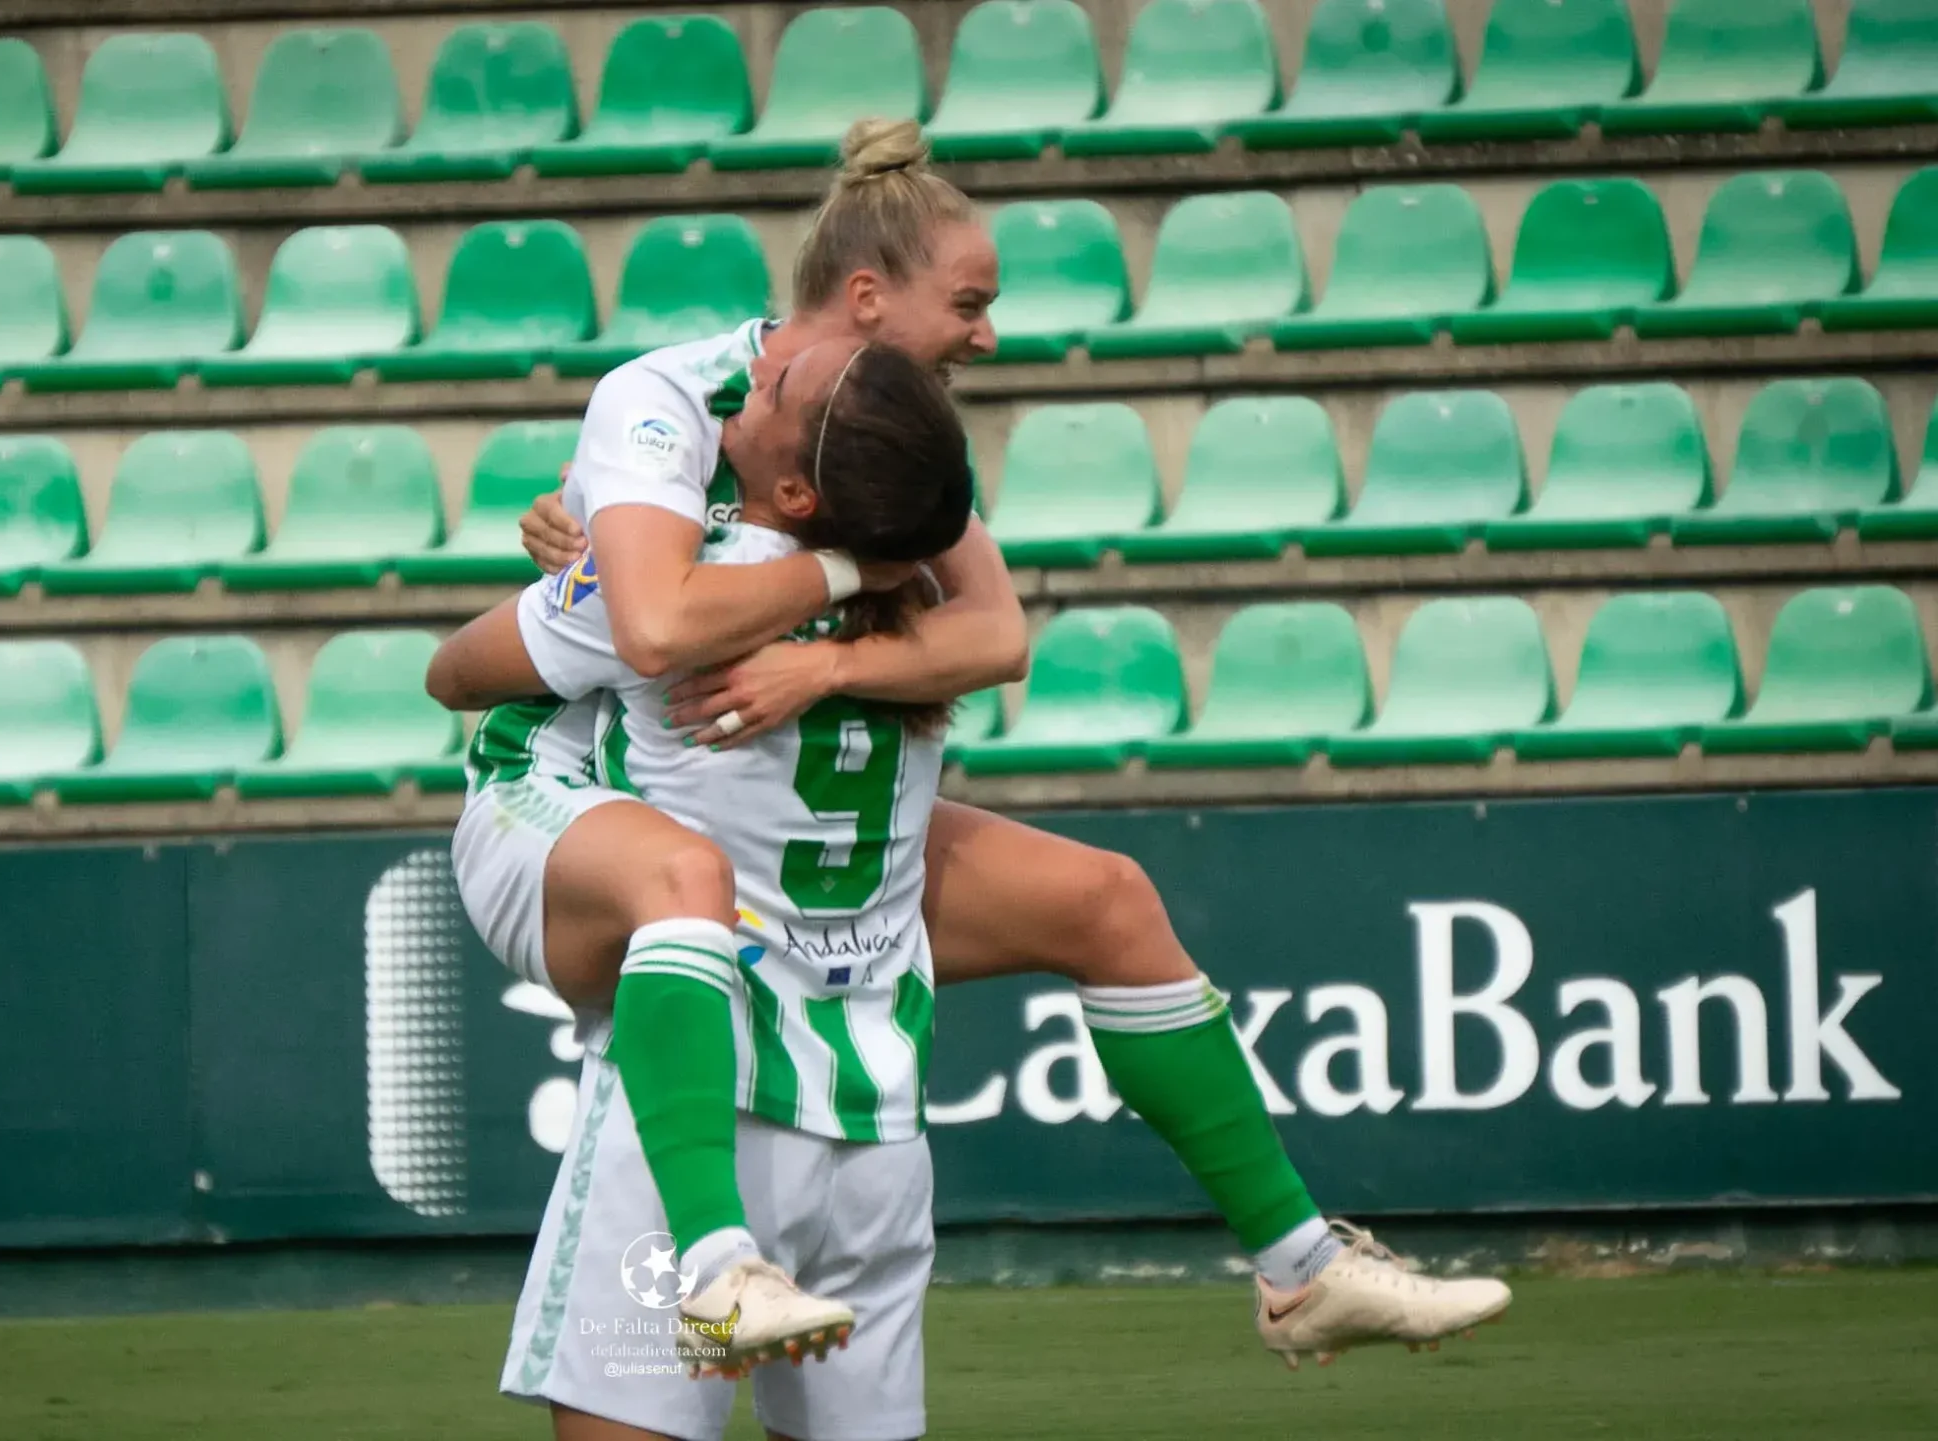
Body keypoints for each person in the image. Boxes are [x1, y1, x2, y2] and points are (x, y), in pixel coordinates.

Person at [508, 117, 1512, 1372]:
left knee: (1106, 899)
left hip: (804, 823)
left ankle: (1303, 1267)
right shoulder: (676, 397)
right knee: (699, 910)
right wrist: (800, 567)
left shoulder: (894, 434)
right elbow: (647, 625)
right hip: (660, 818)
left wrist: (822, 656)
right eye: (968, 303)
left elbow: (994, 637)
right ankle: (712, 1256)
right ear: (867, 298)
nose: (986, 334)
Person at [431, 335, 977, 1441]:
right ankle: (1290, 1247)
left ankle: (718, 1256)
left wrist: (579, 559)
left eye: (770, 390)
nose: (741, 381)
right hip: (870, 1111)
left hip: (697, 1103)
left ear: (793, 487)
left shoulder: (694, 584)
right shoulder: (932, 611)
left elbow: (454, 672)